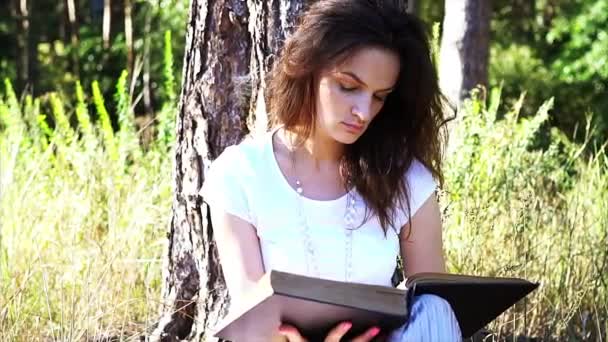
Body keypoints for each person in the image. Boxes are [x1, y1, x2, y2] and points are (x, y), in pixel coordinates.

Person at [200, 0, 461, 341]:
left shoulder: (406, 178)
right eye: (349, 87)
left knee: (436, 307)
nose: (364, 112)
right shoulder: (240, 174)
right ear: (308, 69)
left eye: (380, 96)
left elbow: (433, 313)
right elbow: (251, 314)